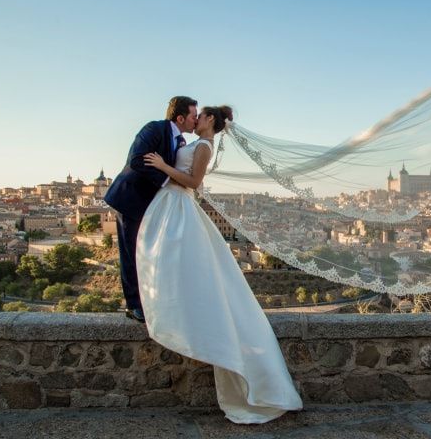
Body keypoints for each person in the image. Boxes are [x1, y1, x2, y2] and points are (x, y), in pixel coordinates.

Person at [137, 105, 304, 424]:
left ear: (209, 120)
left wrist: (161, 165)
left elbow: (193, 182)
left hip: (181, 205)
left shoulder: (203, 146)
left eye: (199, 116)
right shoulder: (193, 144)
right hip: (172, 206)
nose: (195, 119)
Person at [104, 96, 198, 322]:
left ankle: (154, 300)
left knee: (150, 254)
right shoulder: (154, 129)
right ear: (180, 117)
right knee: (131, 253)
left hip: (154, 205)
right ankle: (134, 305)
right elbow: (136, 159)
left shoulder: (182, 141)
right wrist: (168, 181)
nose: (196, 121)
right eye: (194, 116)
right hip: (131, 199)